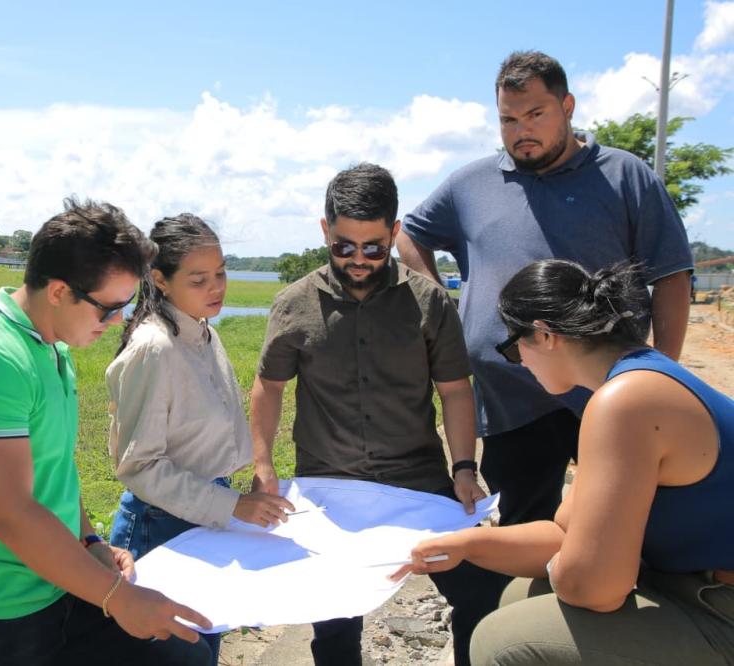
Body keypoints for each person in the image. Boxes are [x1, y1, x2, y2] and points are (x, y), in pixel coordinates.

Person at [0, 199, 212, 665]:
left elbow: (53, 471)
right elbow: (10, 514)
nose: (119, 321)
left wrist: (90, 543)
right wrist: (119, 599)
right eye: (109, 308)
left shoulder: (48, 346)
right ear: (60, 291)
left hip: (53, 589)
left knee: (184, 658)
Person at [397, 50, 693, 533]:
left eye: (536, 114)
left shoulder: (624, 175)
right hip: (513, 396)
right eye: (508, 119)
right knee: (522, 527)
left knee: (633, 521)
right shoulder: (472, 183)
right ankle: (525, 608)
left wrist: (662, 374)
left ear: (568, 106)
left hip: (608, 390)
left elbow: (672, 277)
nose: (521, 130)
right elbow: (410, 234)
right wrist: (442, 304)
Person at [393, 258, 734, 665]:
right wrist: (464, 544)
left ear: (544, 334)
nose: (516, 359)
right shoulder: (632, 382)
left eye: (511, 346)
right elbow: (563, 533)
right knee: (519, 595)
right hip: (691, 583)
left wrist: (573, 568)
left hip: (717, 604)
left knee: (502, 641)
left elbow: (596, 589)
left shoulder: (624, 403)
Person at [251, 162, 506, 666]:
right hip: (330, 488)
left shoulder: (429, 301)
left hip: (417, 481)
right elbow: (268, 386)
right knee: (335, 623)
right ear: (325, 230)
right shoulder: (293, 304)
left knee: (477, 595)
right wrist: (262, 466)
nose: (359, 259)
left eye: (374, 246)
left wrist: (463, 468)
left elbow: (455, 391)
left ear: (394, 232)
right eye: (344, 246)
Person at [106, 213, 293, 664]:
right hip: (159, 525)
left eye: (222, 273)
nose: (217, 288)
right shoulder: (155, 348)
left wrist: (247, 484)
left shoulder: (204, 333)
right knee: (178, 655)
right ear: (160, 280)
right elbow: (138, 466)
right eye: (199, 279)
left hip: (208, 513)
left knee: (204, 644)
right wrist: (230, 507)